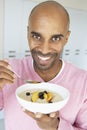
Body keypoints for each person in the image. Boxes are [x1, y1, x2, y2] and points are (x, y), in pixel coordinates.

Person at [0, 0, 87, 130]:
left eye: (55, 38)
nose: (44, 50)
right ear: (28, 33)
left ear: (66, 38)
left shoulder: (84, 82)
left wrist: (56, 127)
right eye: (36, 36)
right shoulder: (8, 70)